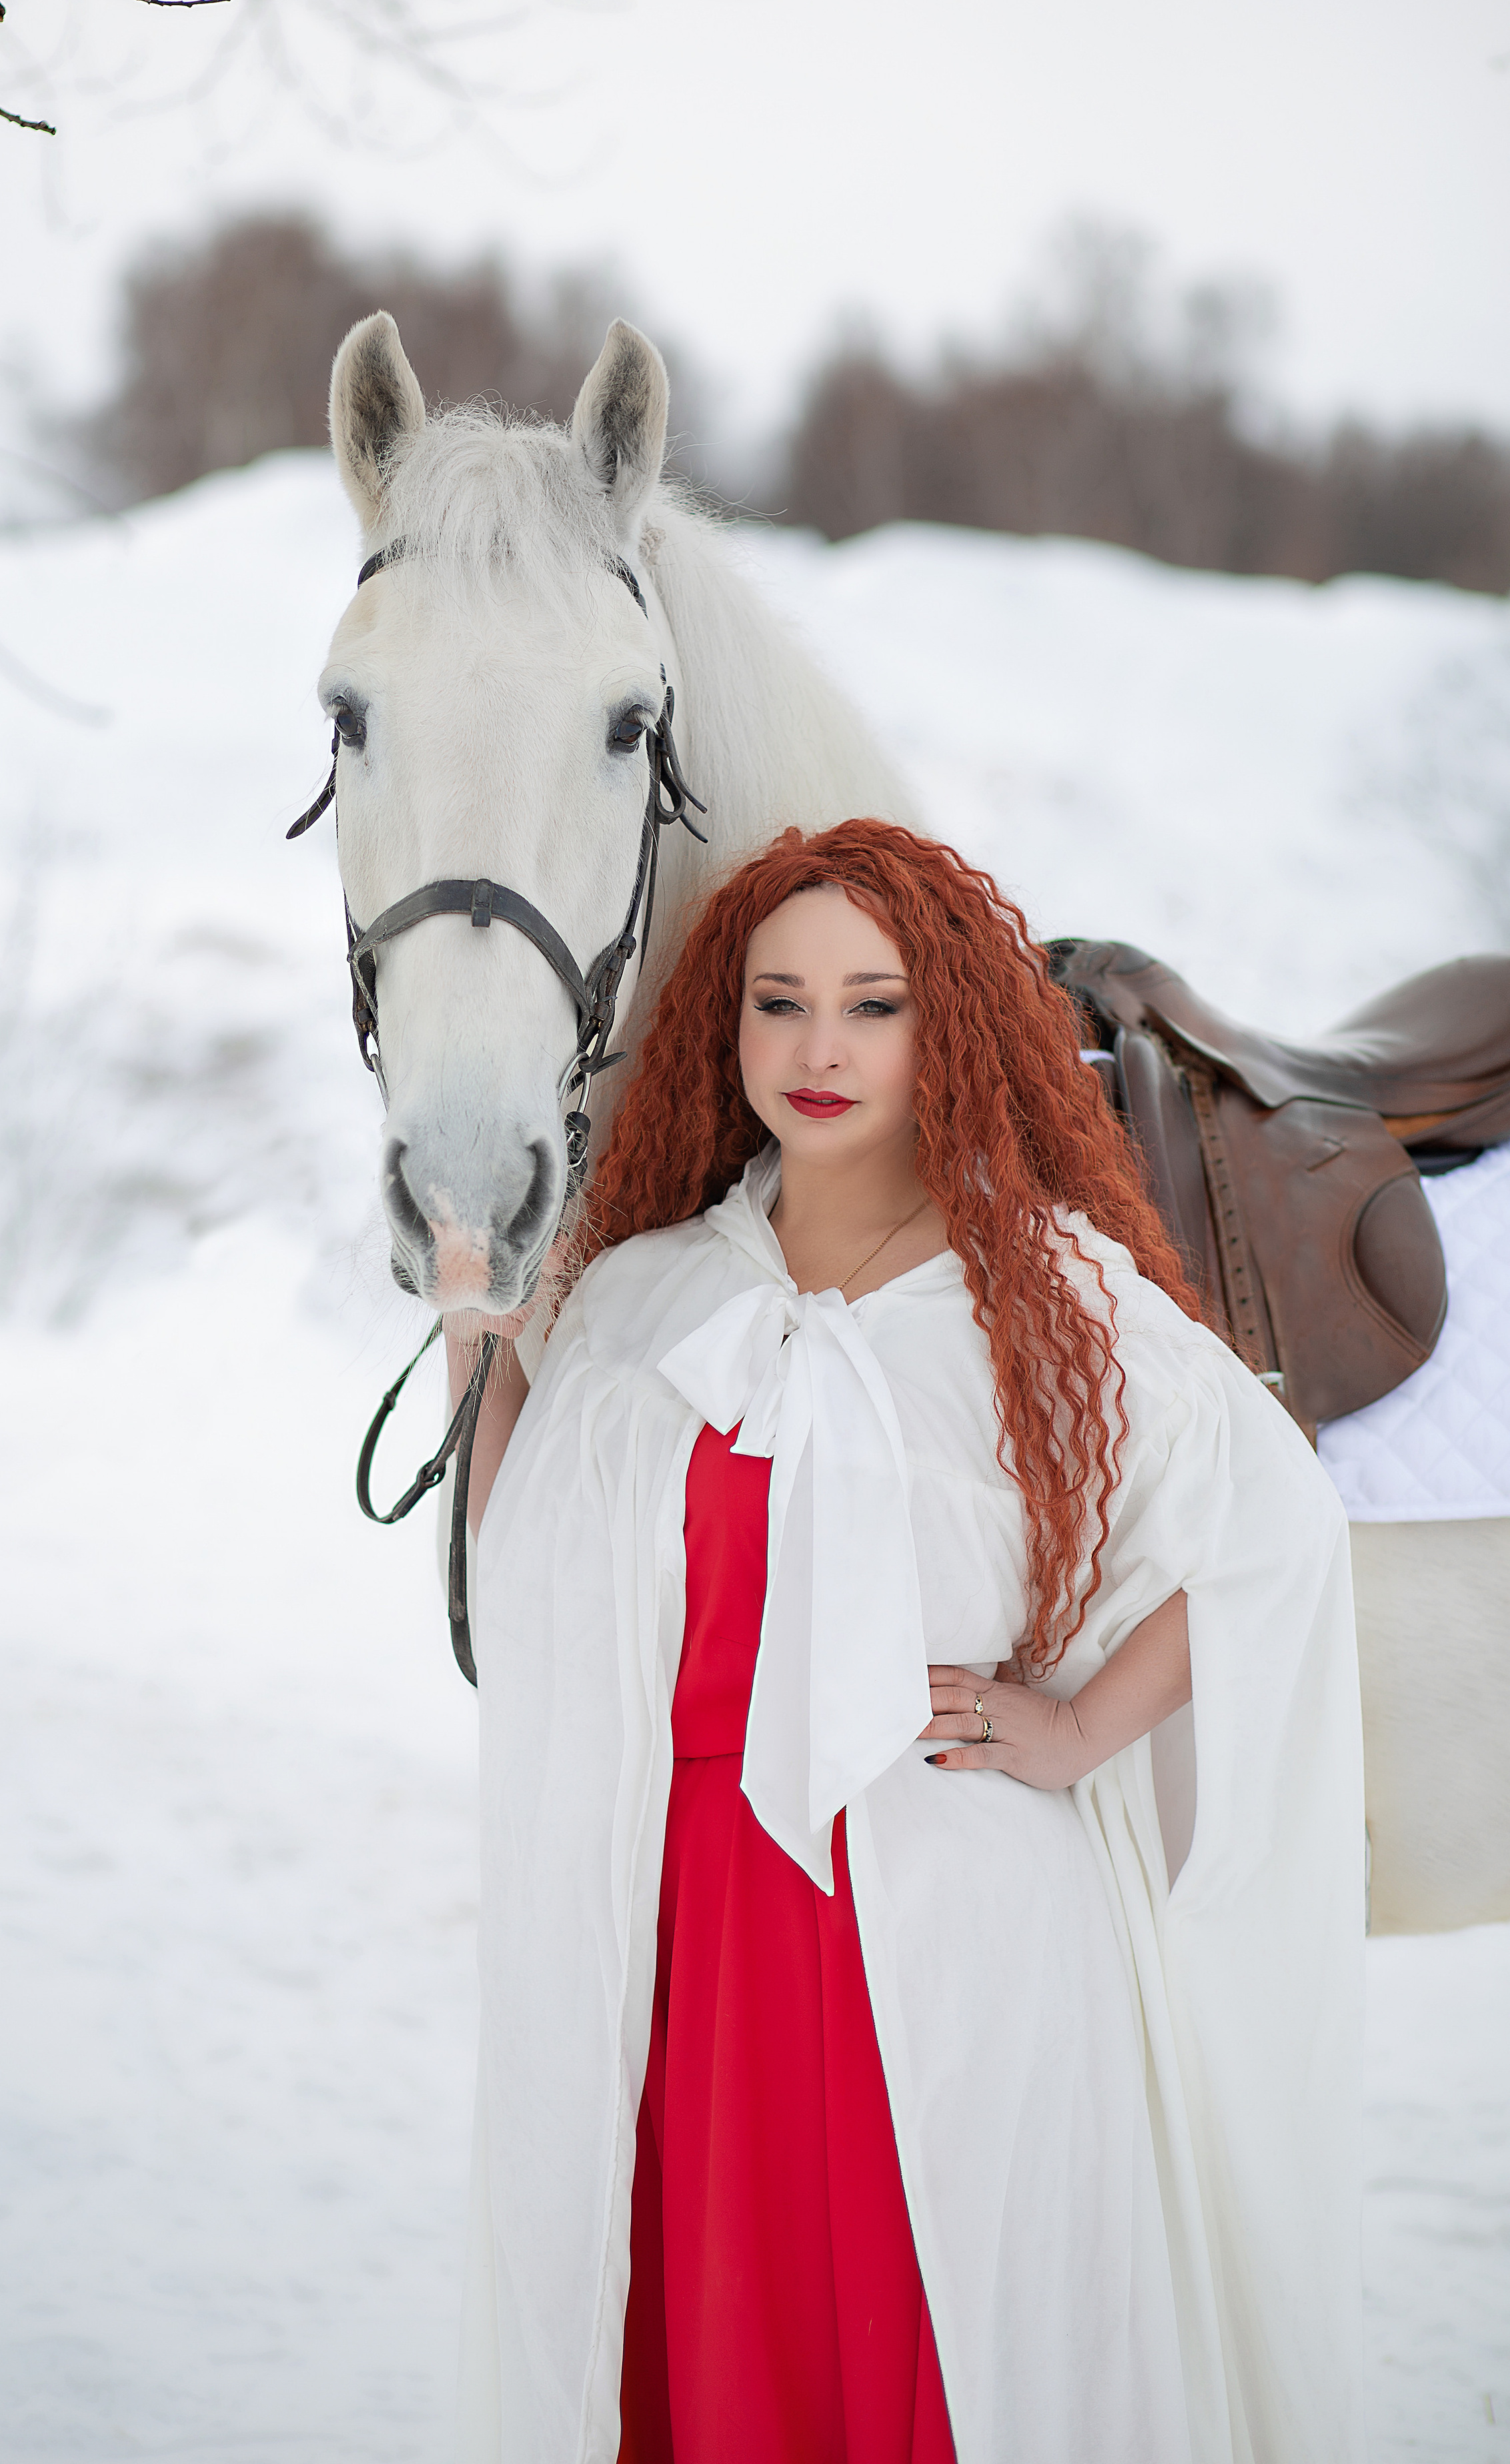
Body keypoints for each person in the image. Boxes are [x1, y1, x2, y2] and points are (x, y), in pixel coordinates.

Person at [446, 820, 1366, 2464]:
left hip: (959, 1928)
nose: (815, 1050)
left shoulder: (1044, 1289)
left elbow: (1269, 1525)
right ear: (721, 1029)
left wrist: (1079, 1731)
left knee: (942, 2348)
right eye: (775, 1002)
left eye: (871, 1006)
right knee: (721, 2353)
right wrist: (480, 1341)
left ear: (945, 1027)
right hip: (693, 1925)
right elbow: (523, 1578)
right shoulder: (652, 1292)